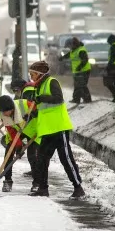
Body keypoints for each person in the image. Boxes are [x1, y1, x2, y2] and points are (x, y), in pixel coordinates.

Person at [28, 61, 85, 199]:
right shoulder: (39, 86)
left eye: (33, 74)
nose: (31, 77)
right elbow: (44, 109)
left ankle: (78, 188)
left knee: (65, 158)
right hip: (47, 130)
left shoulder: (52, 82)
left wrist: (41, 98)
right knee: (41, 159)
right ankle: (43, 188)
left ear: (40, 74)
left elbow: (58, 99)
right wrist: (31, 115)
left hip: (59, 129)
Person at [0, 95, 40, 193]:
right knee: (9, 152)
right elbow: (11, 130)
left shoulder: (24, 105)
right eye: (2, 112)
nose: (4, 114)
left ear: (11, 109)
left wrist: (34, 113)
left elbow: (40, 109)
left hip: (33, 130)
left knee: (32, 156)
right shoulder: (2, 113)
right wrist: (19, 147)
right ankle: (7, 180)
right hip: (17, 131)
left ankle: (37, 182)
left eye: (5, 112)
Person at [59, 37, 92, 104]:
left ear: (73, 44)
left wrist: (79, 67)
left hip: (84, 71)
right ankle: (79, 99)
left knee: (81, 85)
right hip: (77, 71)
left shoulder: (81, 50)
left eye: (69, 46)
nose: (69, 48)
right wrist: (62, 58)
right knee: (78, 85)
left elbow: (85, 60)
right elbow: (68, 55)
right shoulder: (73, 51)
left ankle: (85, 99)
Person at [105, 34, 115, 103]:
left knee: (108, 83)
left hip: (114, 67)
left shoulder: (114, 46)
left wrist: (108, 66)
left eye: (109, 42)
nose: (109, 44)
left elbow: (113, 57)